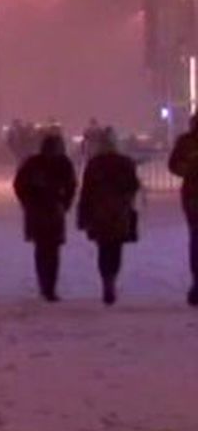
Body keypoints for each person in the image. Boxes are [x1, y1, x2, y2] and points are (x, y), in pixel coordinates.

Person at [77, 129, 141, 305]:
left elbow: (86, 191)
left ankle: (107, 280)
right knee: (116, 248)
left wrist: (83, 214)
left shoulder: (94, 164)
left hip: (99, 211)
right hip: (120, 211)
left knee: (103, 248)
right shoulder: (125, 163)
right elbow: (133, 185)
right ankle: (112, 279)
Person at [14, 134, 78, 302]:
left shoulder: (32, 163)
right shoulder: (63, 163)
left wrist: (27, 202)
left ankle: (44, 285)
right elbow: (71, 185)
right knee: (53, 250)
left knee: (42, 249)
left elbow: (19, 184)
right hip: (54, 209)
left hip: (37, 211)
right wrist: (65, 203)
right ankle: (50, 287)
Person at [168, 114, 198, 306]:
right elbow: (174, 165)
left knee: (196, 238)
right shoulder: (185, 142)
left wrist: (187, 170)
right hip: (193, 195)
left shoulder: (185, 142)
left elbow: (174, 165)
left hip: (192, 196)